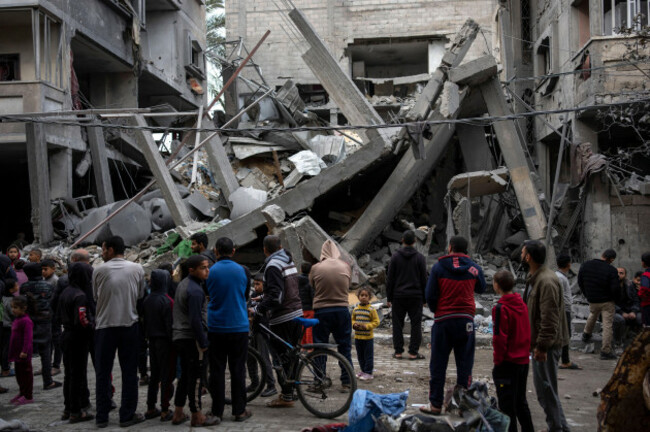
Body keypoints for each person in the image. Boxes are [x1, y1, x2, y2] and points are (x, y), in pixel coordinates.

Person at [421, 235, 486, 415]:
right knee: (465, 365)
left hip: (443, 321)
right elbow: (482, 287)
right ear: (466, 250)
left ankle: (435, 405)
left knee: (438, 365)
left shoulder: (438, 267)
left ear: (450, 247)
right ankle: (462, 406)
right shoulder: (473, 268)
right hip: (466, 321)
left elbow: (430, 295)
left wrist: (437, 311)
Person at [92, 236, 147, 428]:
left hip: (104, 326)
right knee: (130, 372)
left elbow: (95, 296)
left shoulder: (99, 271)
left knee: (102, 372)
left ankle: (102, 416)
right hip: (128, 325)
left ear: (110, 249)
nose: (102, 252)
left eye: (103, 249)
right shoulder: (137, 269)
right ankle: (126, 415)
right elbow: (140, 296)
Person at [522, 240, 570, 432]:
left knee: (546, 390)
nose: (521, 254)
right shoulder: (536, 277)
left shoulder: (546, 281)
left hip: (547, 346)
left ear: (528, 257)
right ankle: (560, 427)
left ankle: (556, 428)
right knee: (546, 389)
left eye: (523, 252)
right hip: (541, 344)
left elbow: (549, 318)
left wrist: (542, 346)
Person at [252, 235, 303, 408]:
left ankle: (287, 396)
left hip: (283, 317)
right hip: (296, 312)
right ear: (280, 246)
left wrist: (259, 308)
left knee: (280, 358)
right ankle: (291, 391)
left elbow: (276, 297)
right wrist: (262, 298)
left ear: (265, 250)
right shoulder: (288, 261)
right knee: (292, 356)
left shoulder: (273, 265)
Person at [206, 237, 253, 422]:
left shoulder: (209, 271)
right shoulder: (243, 271)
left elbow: (207, 293)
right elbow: (245, 294)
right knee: (238, 369)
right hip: (239, 325)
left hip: (216, 326)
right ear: (233, 251)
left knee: (216, 370)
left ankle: (216, 412)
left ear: (216, 251)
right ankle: (239, 410)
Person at [172, 255, 218, 427]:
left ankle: (178, 412)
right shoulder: (195, 290)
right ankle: (197, 415)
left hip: (180, 337)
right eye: (203, 268)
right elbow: (195, 320)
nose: (207, 271)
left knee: (184, 376)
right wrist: (203, 342)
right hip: (192, 339)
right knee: (196, 378)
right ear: (192, 270)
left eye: (207, 267)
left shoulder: (184, 285)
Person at [491, 270, 534, 432]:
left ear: (496, 285)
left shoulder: (501, 308)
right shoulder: (521, 304)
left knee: (507, 406)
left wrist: (498, 361)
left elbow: (500, 338)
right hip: (523, 360)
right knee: (520, 401)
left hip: (508, 362)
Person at [310, 239, 354, 391]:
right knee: (345, 346)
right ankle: (347, 381)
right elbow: (349, 285)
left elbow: (313, 286)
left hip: (322, 311)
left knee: (319, 346)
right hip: (342, 310)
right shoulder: (346, 266)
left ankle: (319, 380)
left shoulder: (316, 268)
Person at [59, 263, 95, 423]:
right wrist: (92, 327)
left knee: (69, 374)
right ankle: (76, 411)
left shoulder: (65, 292)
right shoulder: (80, 296)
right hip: (77, 339)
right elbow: (81, 320)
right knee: (78, 375)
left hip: (66, 335)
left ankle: (68, 408)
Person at [386, 230, 428, 360]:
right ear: (415, 241)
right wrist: (425, 298)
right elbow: (424, 279)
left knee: (397, 324)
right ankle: (413, 352)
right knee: (416, 324)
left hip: (398, 296)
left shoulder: (395, 257)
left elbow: (390, 279)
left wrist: (389, 297)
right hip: (416, 296)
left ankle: (398, 352)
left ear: (402, 240)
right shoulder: (420, 258)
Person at [20, 262, 61, 390]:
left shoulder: (24, 287)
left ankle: (25, 383)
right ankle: (48, 381)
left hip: (28, 322)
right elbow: (53, 303)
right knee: (46, 351)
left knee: (26, 350)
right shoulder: (48, 286)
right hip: (45, 321)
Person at [142, 269, 175, 422]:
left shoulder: (147, 300)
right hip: (165, 342)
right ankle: (165, 409)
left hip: (152, 341)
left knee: (154, 375)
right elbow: (170, 325)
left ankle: (150, 407)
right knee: (166, 375)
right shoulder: (167, 301)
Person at [578, 249, 619, 360]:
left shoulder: (586, 265)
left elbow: (580, 281)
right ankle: (606, 351)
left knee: (593, 314)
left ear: (602, 255)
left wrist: (587, 294)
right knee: (607, 325)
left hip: (592, 299)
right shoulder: (612, 270)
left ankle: (586, 333)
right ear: (611, 259)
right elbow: (615, 288)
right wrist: (615, 299)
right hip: (607, 301)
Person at [249, 274, 277, 398]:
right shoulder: (254, 296)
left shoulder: (267, 298)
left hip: (263, 329)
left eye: (258, 284)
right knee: (250, 358)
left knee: (264, 358)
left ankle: (271, 385)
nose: (255, 287)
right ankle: (254, 382)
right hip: (253, 329)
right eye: (254, 284)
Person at [555, 254, 580, 370]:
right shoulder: (560, 278)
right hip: (563, 310)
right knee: (565, 334)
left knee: (565, 334)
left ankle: (564, 359)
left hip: (565, 308)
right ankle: (563, 360)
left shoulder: (561, 277)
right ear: (569, 264)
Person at [8, 296, 33, 405]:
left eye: (16, 307)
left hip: (23, 354)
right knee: (19, 374)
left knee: (26, 375)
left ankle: (28, 396)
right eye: (12, 307)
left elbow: (28, 338)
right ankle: (22, 392)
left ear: (24, 308)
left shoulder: (26, 321)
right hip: (17, 353)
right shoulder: (17, 320)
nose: (13, 310)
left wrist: (25, 351)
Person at [351, 287, 379, 381]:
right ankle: (363, 370)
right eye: (361, 295)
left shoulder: (371, 309)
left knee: (368, 356)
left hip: (368, 338)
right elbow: (352, 319)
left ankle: (369, 372)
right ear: (358, 297)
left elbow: (376, 322)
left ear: (369, 297)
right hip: (358, 337)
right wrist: (354, 324)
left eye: (366, 295)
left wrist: (367, 326)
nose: (363, 297)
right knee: (360, 355)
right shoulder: (356, 309)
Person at [42, 259, 62, 377]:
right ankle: (47, 365)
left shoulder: (55, 281)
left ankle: (56, 365)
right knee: (48, 340)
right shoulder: (44, 280)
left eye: (45, 269)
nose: (43, 272)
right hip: (47, 315)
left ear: (53, 269)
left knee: (56, 339)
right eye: (42, 270)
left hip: (54, 315)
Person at [613, 267, 641, 348]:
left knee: (640, 318)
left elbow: (636, 300)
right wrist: (621, 313)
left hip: (629, 310)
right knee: (620, 320)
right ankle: (617, 342)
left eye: (621, 273)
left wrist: (634, 311)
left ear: (625, 275)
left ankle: (636, 341)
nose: (619, 275)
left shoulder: (630, 286)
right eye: (617, 273)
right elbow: (610, 303)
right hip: (615, 311)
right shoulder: (611, 286)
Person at [1, 278, 18, 378]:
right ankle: (6, 369)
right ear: (11, 289)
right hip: (9, 326)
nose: (18, 286)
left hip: (4, 325)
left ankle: (5, 367)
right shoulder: (11, 301)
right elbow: (13, 314)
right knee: (7, 348)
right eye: (16, 285)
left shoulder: (3, 298)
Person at [298, 262, 315, 346]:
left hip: (300, 308)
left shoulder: (296, 281)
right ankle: (309, 346)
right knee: (309, 329)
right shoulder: (310, 282)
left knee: (302, 328)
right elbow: (312, 295)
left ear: (300, 269)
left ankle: (303, 345)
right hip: (309, 308)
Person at [638, 253, 650, 326]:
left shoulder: (646, 275)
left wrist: (639, 293)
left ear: (643, 262)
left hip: (648, 304)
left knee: (647, 326)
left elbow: (645, 289)